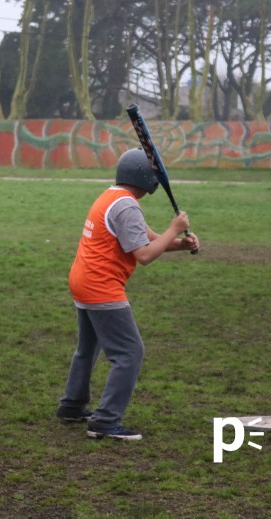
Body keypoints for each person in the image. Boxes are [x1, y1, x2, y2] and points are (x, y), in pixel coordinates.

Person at [56, 148, 200, 441]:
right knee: (129, 353)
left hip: (83, 280)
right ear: (146, 178)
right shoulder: (127, 206)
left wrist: (178, 243)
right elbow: (145, 255)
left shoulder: (114, 197)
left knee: (88, 347)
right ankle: (106, 421)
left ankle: (72, 405)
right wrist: (174, 229)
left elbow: (144, 239)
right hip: (100, 285)